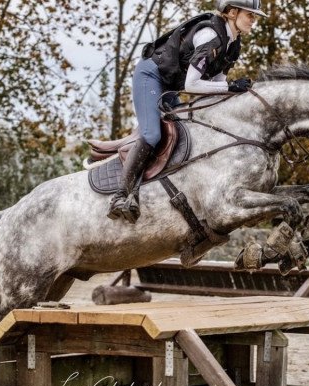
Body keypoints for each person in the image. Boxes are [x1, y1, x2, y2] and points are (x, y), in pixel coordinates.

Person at [107, 0, 268, 224]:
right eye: (250, 15)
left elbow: (217, 84)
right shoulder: (210, 35)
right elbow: (193, 85)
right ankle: (120, 195)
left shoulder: (233, 44)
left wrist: (235, 96)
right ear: (232, 13)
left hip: (172, 85)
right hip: (152, 76)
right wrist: (230, 87)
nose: (254, 20)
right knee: (153, 135)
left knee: (187, 131)